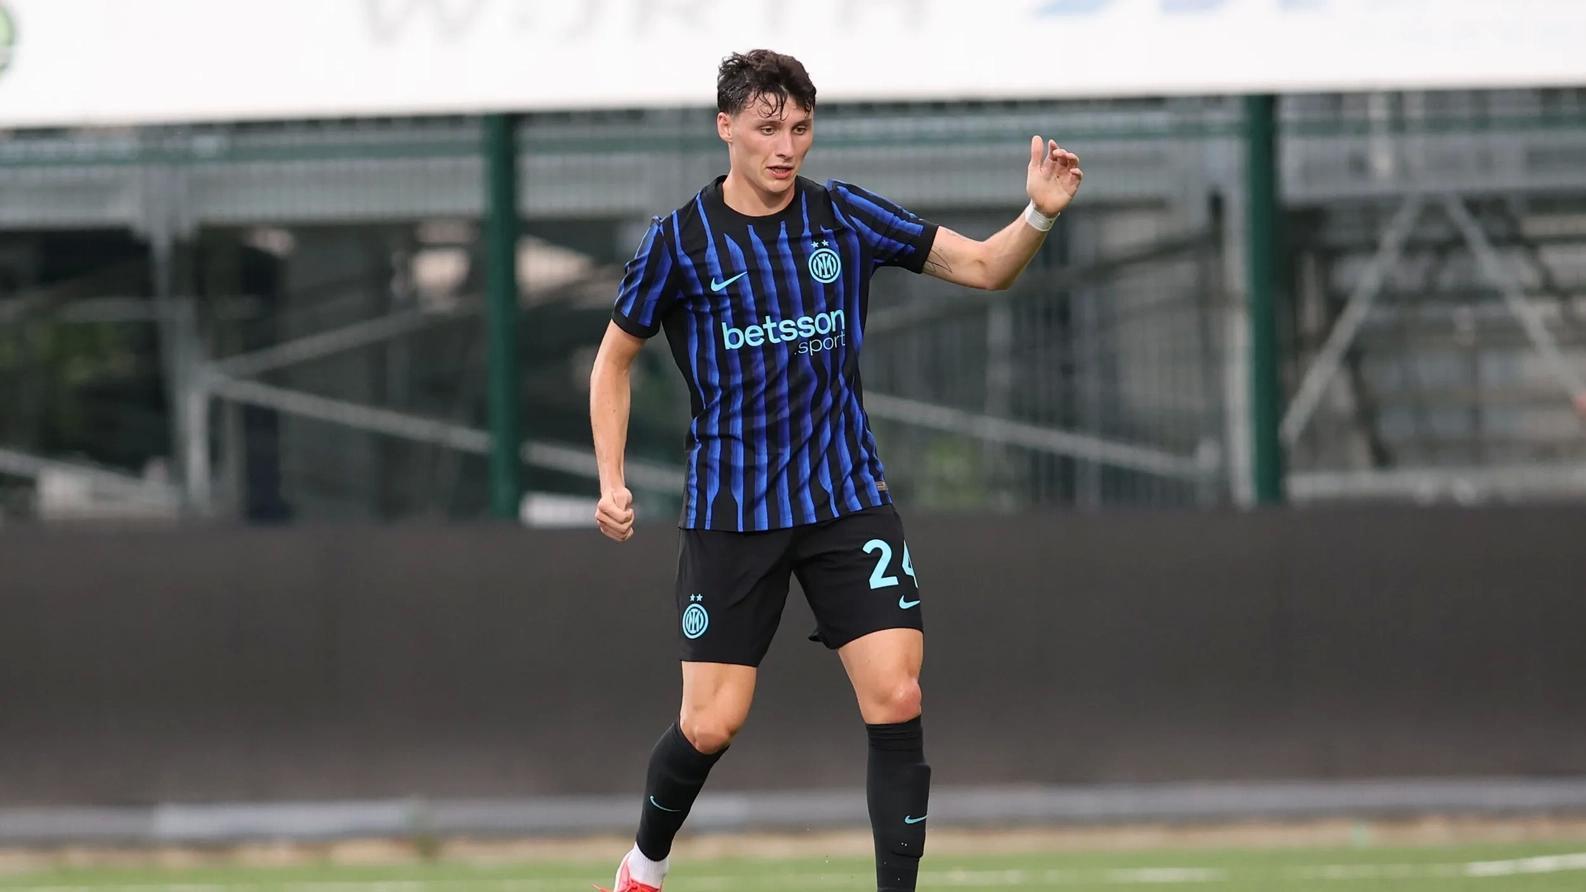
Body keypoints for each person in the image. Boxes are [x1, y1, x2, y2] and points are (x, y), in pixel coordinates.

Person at [588, 49, 1083, 892]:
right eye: (768, 128)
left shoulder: (843, 216)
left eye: (801, 128)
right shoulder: (679, 241)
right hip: (734, 511)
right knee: (710, 725)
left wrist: (1037, 215)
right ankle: (644, 865)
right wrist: (612, 480)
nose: (786, 146)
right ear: (726, 128)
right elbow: (612, 363)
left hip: (844, 498)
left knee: (897, 696)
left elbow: (983, 267)